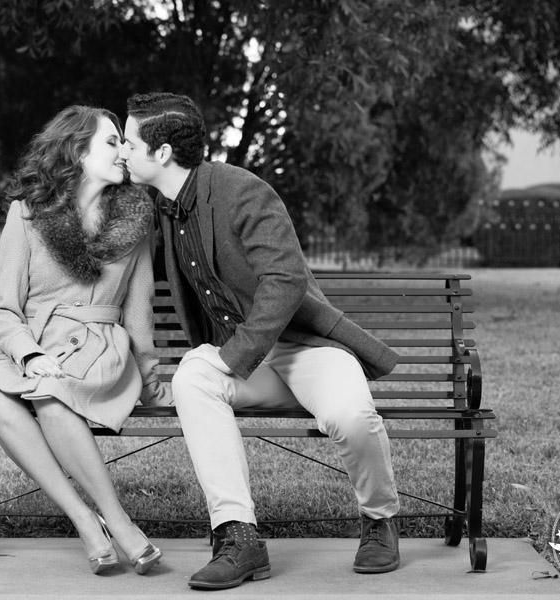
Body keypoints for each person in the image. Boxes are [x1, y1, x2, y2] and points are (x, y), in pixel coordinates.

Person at [119, 92, 403, 590]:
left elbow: (285, 281)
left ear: (161, 153)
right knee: (192, 377)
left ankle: (379, 519)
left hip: (308, 350)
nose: (122, 151)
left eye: (128, 141)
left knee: (350, 419)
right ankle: (238, 536)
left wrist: (237, 354)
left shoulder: (241, 190)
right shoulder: (163, 208)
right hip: (249, 362)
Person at [0, 105, 170, 575]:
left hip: (99, 347)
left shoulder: (135, 219)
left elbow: (139, 311)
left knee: (53, 396)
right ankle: (85, 521)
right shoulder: (28, 213)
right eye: (112, 141)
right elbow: (4, 309)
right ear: (77, 149)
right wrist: (29, 354)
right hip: (30, 342)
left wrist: (150, 379)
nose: (123, 151)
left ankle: (119, 522)